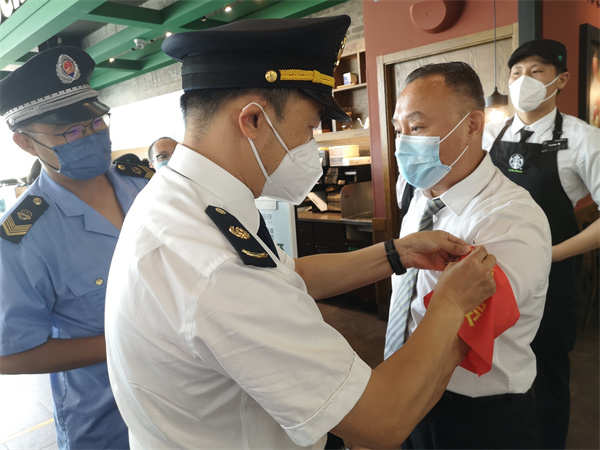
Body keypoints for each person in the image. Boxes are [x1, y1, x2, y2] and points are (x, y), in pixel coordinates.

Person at [104, 16, 498, 449]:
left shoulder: (181, 199)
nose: (312, 146)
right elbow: (383, 419)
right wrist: (452, 304)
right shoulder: (214, 261)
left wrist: (396, 253)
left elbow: (290, 277)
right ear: (253, 120)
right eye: (310, 128)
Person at [387, 61, 552, 449]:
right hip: (414, 390)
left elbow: (462, 339)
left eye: (417, 128)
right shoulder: (421, 197)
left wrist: (385, 404)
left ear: (472, 125)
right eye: (398, 130)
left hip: (478, 414)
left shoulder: (511, 220)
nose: (402, 143)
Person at [0, 47, 153, 449]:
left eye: (96, 122)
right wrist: (128, 343)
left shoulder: (145, 187)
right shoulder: (22, 237)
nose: (91, 136)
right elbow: (10, 355)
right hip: (107, 421)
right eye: (70, 132)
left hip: (189, 399)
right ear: (25, 143)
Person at [483, 39, 600, 449]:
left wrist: (549, 255)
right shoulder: (490, 133)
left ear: (560, 80)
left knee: (548, 371)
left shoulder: (584, 139)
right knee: (491, 360)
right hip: (492, 271)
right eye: (516, 73)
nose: (523, 81)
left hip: (552, 274)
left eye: (536, 72)